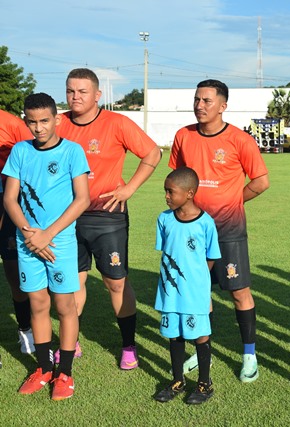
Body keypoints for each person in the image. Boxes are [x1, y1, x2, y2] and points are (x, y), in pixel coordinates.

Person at [57, 68, 162, 369]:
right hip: (68, 217)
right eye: (70, 91)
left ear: (97, 95)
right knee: (72, 283)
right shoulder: (59, 123)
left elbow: (152, 153)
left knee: (116, 283)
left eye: (82, 91)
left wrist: (129, 188)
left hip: (107, 217)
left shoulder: (117, 123)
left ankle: (128, 346)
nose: (75, 97)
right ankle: (70, 342)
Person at [169, 79, 269, 383]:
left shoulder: (240, 139)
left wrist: (233, 200)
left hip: (228, 229)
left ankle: (249, 354)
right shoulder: (183, 136)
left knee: (239, 291)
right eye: (197, 99)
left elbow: (261, 182)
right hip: (192, 231)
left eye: (207, 101)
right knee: (199, 293)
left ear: (223, 106)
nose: (200, 105)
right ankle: (204, 354)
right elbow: (178, 179)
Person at [4, 93, 90, 400]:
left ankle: (64, 372)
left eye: (44, 121)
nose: (38, 128)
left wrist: (47, 234)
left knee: (65, 307)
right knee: (37, 304)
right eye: (32, 122)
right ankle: (43, 368)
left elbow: (83, 199)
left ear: (56, 119)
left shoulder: (72, 151)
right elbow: (9, 199)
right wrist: (30, 235)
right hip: (27, 241)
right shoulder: (20, 151)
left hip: (60, 242)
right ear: (25, 121)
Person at [153, 167, 221, 405]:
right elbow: (167, 251)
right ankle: (177, 380)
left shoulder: (205, 223)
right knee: (174, 334)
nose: (166, 196)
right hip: (169, 292)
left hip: (194, 293)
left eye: (171, 192)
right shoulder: (164, 219)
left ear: (190, 193)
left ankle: (204, 384)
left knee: (200, 335)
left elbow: (210, 258)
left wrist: (198, 281)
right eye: (165, 191)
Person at [0, 109, 35, 355]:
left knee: (14, 272)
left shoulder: (11, 123)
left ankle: (25, 329)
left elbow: (33, 157)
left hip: (8, 201)